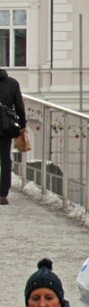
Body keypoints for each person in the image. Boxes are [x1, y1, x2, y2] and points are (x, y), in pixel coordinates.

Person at [0, 68, 27, 205]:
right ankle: (3, 194)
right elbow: (20, 107)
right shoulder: (12, 83)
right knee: (5, 159)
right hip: (5, 127)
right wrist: (22, 126)